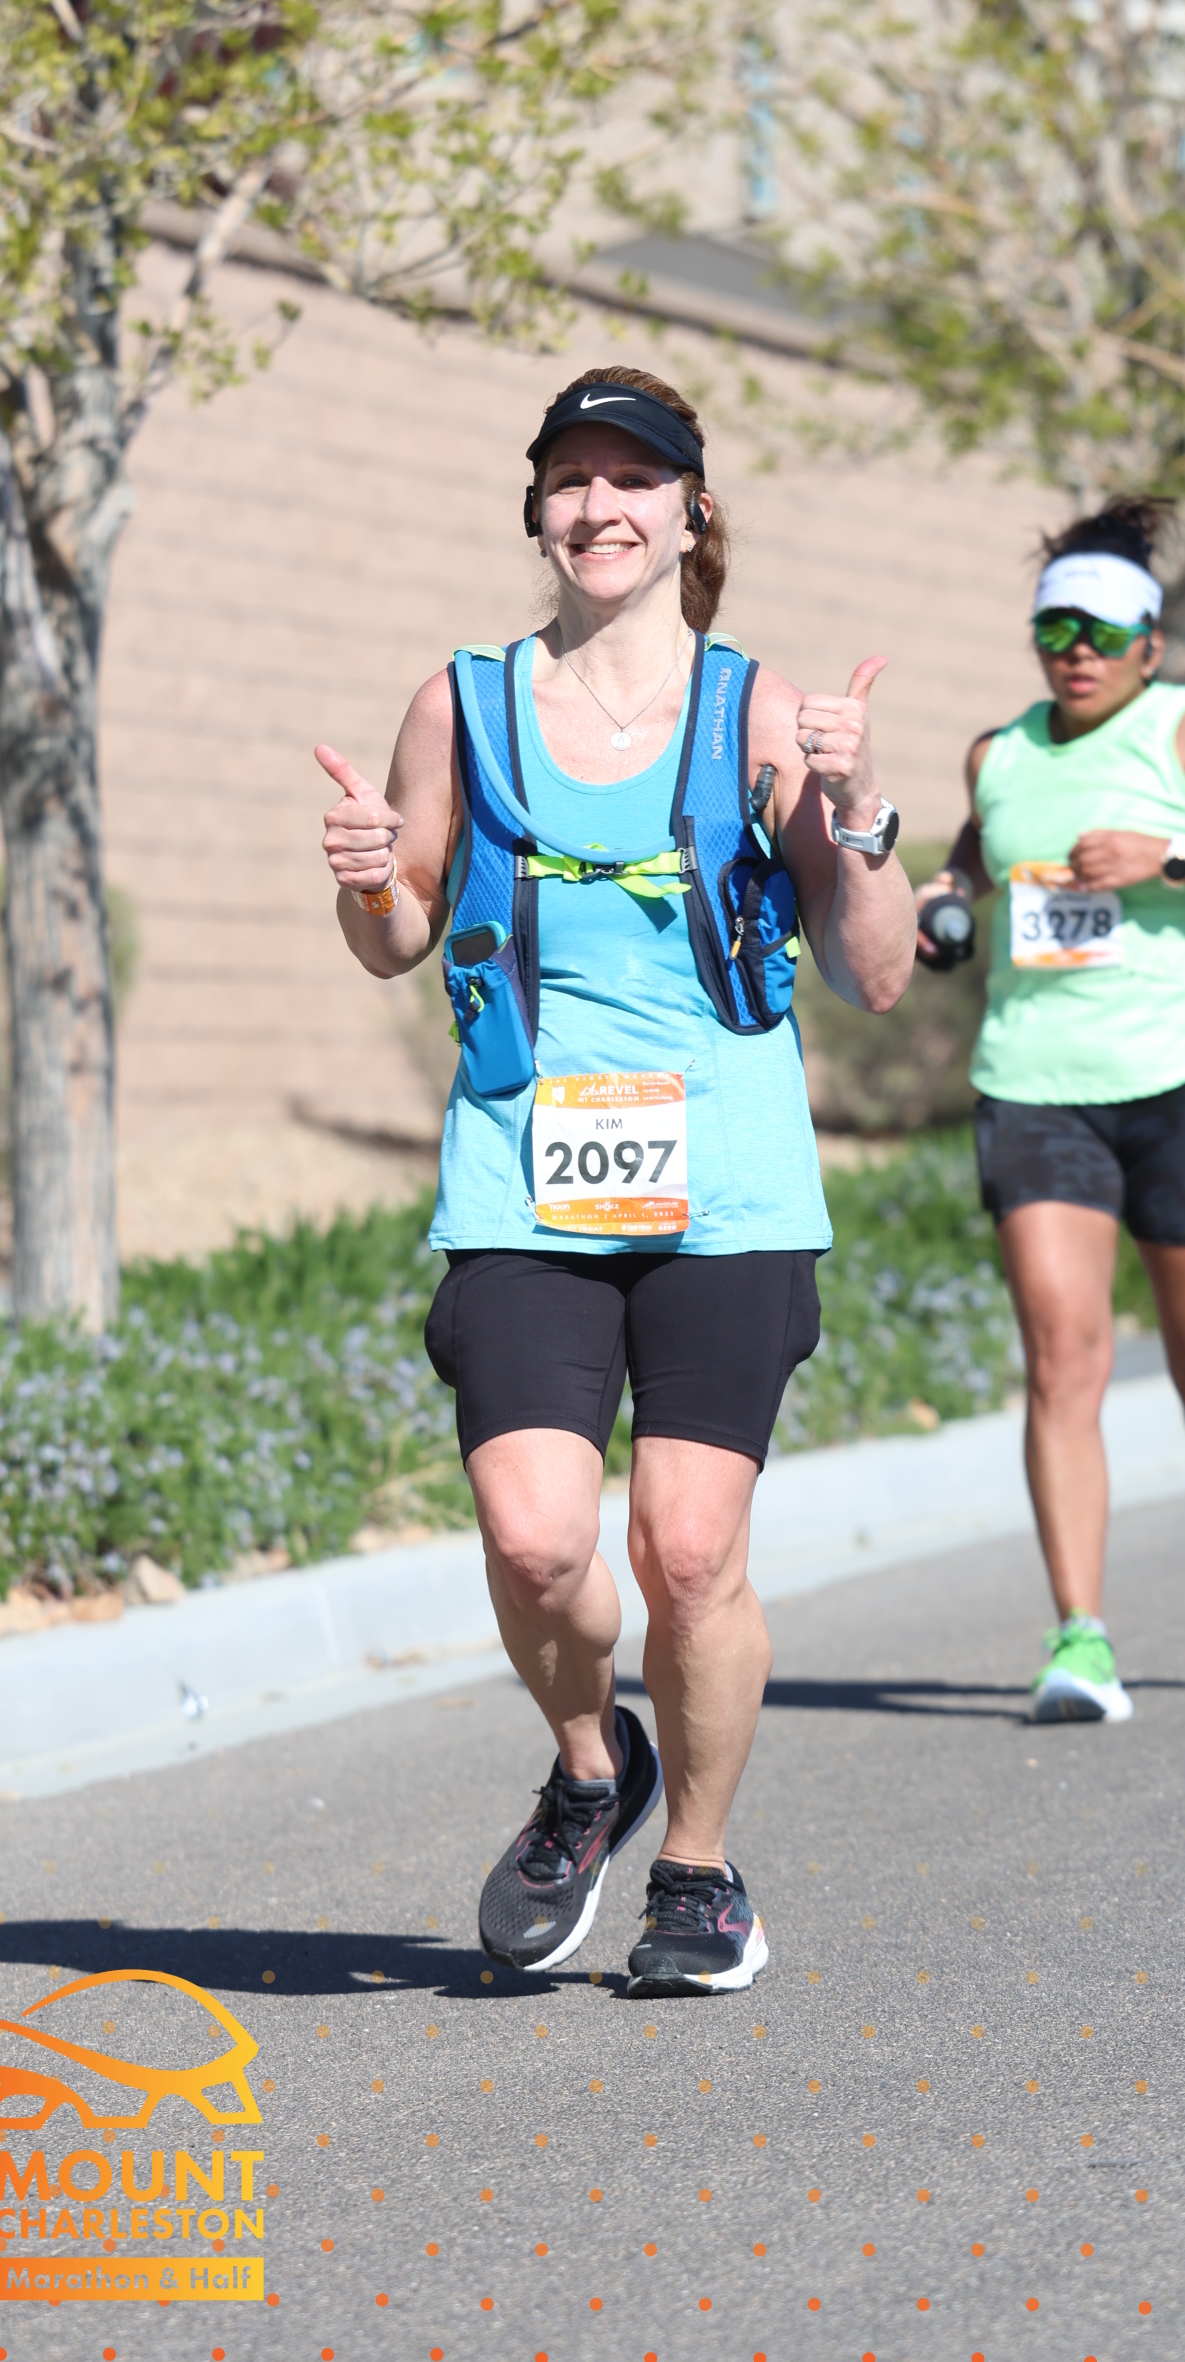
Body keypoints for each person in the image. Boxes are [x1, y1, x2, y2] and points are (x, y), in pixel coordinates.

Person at [314, 365, 916, 1987]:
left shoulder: (758, 713)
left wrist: (861, 811)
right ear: (536, 511)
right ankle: (594, 1769)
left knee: (689, 1551)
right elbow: (398, 939)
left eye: (634, 480)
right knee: (533, 1540)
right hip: (527, 1173)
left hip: (727, 1186)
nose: (601, 507)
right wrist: (369, 881)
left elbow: (874, 974)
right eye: (572, 479)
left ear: (689, 512)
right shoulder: (463, 705)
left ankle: (700, 1876)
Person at [914, 498, 1185, 1725]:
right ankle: (1080, 1640)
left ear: (1148, 644)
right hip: (1036, 1085)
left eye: (1101, 633)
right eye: (1055, 629)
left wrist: (1171, 856)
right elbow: (979, 846)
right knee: (1063, 1359)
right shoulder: (998, 752)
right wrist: (947, 893)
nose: (1076, 652)